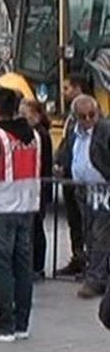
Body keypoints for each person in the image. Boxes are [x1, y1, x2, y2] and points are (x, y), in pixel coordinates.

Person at [0, 88, 41, 342]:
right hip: (27, 206)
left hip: (1, 207)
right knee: (23, 266)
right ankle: (22, 321)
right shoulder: (34, 135)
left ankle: (4, 323)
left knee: (2, 267)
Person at [56, 95, 110, 299]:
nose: (88, 119)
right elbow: (66, 152)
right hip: (82, 190)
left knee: (100, 234)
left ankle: (96, 280)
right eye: (83, 116)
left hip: (103, 190)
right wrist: (61, 165)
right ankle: (97, 272)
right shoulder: (73, 132)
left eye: (92, 115)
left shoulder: (105, 130)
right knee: (88, 232)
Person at [55, 73, 92, 276]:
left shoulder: (88, 113)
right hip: (68, 175)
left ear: (78, 88)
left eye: (67, 88)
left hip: (83, 179)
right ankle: (77, 258)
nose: (64, 92)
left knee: (86, 221)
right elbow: (66, 143)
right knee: (74, 221)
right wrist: (59, 161)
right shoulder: (70, 116)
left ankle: (91, 262)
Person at [19, 99, 53, 280]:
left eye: (25, 114)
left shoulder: (40, 135)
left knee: (36, 228)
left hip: (38, 186)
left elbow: (42, 162)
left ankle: (37, 267)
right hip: (31, 186)